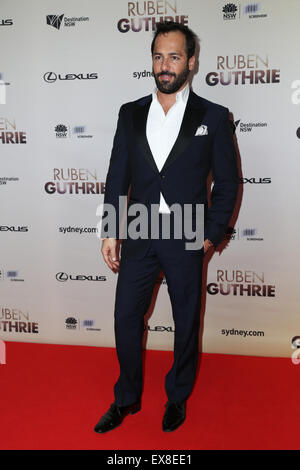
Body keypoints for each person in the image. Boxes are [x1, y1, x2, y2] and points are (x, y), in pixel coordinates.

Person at [94, 21, 238, 433]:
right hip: (138, 230)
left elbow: (227, 183)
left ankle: (177, 397)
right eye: (159, 56)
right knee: (125, 318)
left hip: (189, 231)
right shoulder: (130, 112)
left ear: (191, 62)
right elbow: (116, 176)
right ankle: (126, 399)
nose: (165, 65)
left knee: (186, 320)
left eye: (174, 56)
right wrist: (110, 229)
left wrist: (210, 234)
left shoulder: (213, 116)